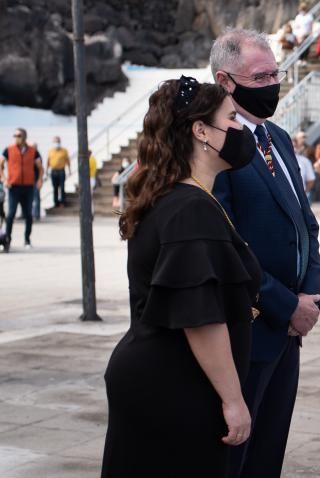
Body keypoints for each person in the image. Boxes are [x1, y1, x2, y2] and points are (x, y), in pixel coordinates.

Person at [101, 77, 261, 478]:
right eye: (232, 118)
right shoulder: (190, 208)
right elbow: (200, 317)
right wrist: (233, 399)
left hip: (162, 381)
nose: (242, 127)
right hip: (174, 387)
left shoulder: (177, 198)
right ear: (201, 130)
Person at [210, 28, 320, 478]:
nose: (273, 85)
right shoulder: (216, 143)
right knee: (233, 459)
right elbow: (230, 246)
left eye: (276, 73)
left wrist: (309, 298)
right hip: (249, 330)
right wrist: (285, 304)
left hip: (290, 330)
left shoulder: (276, 136)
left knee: (269, 451)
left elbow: (305, 225)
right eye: (260, 78)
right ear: (225, 81)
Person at [1, 128, 43, 251]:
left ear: (24, 136)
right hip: (14, 187)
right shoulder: (8, 150)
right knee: (10, 214)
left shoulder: (33, 151)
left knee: (28, 214)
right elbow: (1, 165)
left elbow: (40, 167)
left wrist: (39, 180)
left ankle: (27, 239)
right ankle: (7, 239)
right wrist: (4, 179)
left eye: (18, 135)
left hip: (28, 187)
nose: (16, 137)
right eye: (15, 135)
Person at [46, 136, 71, 208]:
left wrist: (69, 170)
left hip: (61, 171)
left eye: (58, 142)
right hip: (53, 171)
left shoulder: (64, 151)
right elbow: (48, 161)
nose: (57, 143)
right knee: (55, 188)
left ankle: (63, 202)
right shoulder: (50, 151)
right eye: (55, 142)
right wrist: (47, 171)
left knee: (62, 187)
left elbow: (68, 161)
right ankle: (56, 202)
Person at [293, 131, 316, 205]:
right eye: (302, 137)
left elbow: (310, 179)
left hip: (303, 188)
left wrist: (305, 191)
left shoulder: (308, 148)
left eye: (304, 137)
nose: (303, 139)